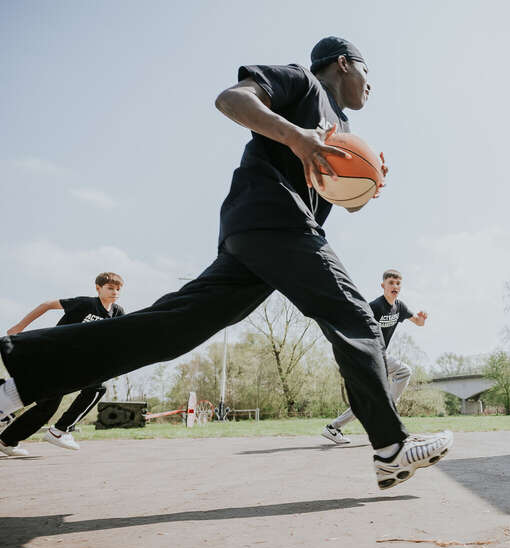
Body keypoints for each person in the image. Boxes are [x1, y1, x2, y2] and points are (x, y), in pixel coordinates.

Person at [0, 36, 451, 489]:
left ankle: (17, 380)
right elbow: (231, 99)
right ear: (344, 63)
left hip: (259, 237)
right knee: (354, 315)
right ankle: (391, 448)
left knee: (169, 329)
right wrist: (297, 137)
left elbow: (338, 198)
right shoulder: (303, 83)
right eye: (368, 74)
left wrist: (367, 185)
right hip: (275, 220)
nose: (371, 86)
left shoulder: (343, 126)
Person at [0, 272, 126, 457]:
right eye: (110, 288)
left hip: (76, 363)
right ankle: (59, 430)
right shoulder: (85, 304)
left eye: (118, 289)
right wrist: (19, 328)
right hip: (54, 355)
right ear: (98, 288)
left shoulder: (118, 312)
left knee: (51, 404)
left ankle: (7, 440)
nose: (114, 292)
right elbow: (47, 305)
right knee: (91, 389)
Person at [323, 269, 427, 445]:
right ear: (383, 286)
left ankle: (333, 427)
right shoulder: (375, 307)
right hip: (367, 355)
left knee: (371, 398)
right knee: (403, 371)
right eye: (391, 283)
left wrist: (422, 318)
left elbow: (417, 321)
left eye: (398, 283)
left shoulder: (399, 307)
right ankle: (388, 409)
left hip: (379, 355)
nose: (395, 286)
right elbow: (355, 324)